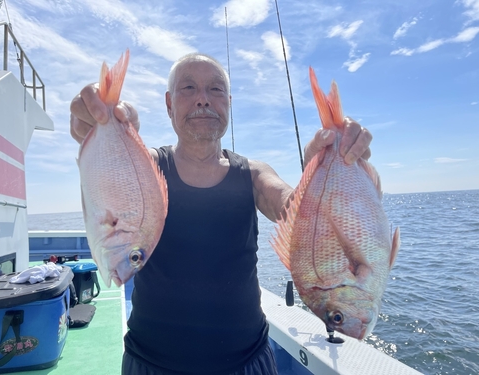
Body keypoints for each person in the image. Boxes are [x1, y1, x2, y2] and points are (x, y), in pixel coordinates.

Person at [70, 53, 372, 375]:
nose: (203, 100)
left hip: (247, 362)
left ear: (229, 104)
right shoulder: (146, 168)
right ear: (169, 104)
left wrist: (320, 168)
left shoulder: (252, 174)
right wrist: (92, 123)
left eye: (215, 90)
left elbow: (293, 212)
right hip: (151, 363)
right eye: (189, 88)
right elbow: (109, 175)